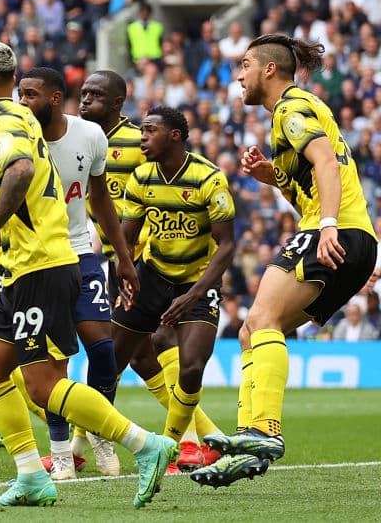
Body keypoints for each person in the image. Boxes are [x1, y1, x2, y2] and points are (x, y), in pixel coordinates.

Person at [0, 41, 177, 510]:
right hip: (29, 264)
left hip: (42, 266)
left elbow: (21, 171)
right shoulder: (22, 117)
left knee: (43, 385)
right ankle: (30, 476)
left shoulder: (2, 121)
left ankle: (147, 445)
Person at [193, 34, 378, 486]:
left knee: (262, 317)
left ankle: (264, 432)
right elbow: (311, 192)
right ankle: (248, 443)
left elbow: (327, 167)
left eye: (245, 65)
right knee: (250, 329)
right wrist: (272, 178)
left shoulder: (291, 109)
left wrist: (331, 225)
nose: (238, 76)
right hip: (345, 234)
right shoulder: (294, 115)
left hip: (335, 232)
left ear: (269, 70)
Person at [80, 70, 224, 473]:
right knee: (137, 357)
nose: (84, 101)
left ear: (116, 103)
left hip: (144, 263)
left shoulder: (137, 145)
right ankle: (201, 438)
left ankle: (83, 444)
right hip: (113, 259)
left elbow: (141, 209)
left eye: (94, 94)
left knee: (129, 352)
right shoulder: (77, 141)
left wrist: (133, 265)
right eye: (82, 94)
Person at [16, 68, 141, 480]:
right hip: (36, 259)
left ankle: (99, 432)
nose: (22, 103)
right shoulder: (15, 139)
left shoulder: (90, 136)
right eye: (20, 94)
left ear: (54, 99)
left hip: (81, 250)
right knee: (54, 358)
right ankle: (60, 452)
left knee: (102, 347)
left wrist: (122, 256)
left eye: (30, 95)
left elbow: (100, 195)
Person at [112, 106, 236, 470]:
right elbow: (127, 236)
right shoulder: (141, 177)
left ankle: (170, 446)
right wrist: (124, 274)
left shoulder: (208, 179)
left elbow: (226, 245)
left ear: (175, 136)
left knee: (192, 367)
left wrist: (196, 293)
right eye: (142, 131)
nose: (143, 138)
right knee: (110, 363)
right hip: (152, 276)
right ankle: (80, 445)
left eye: (150, 131)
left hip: (197, 281)